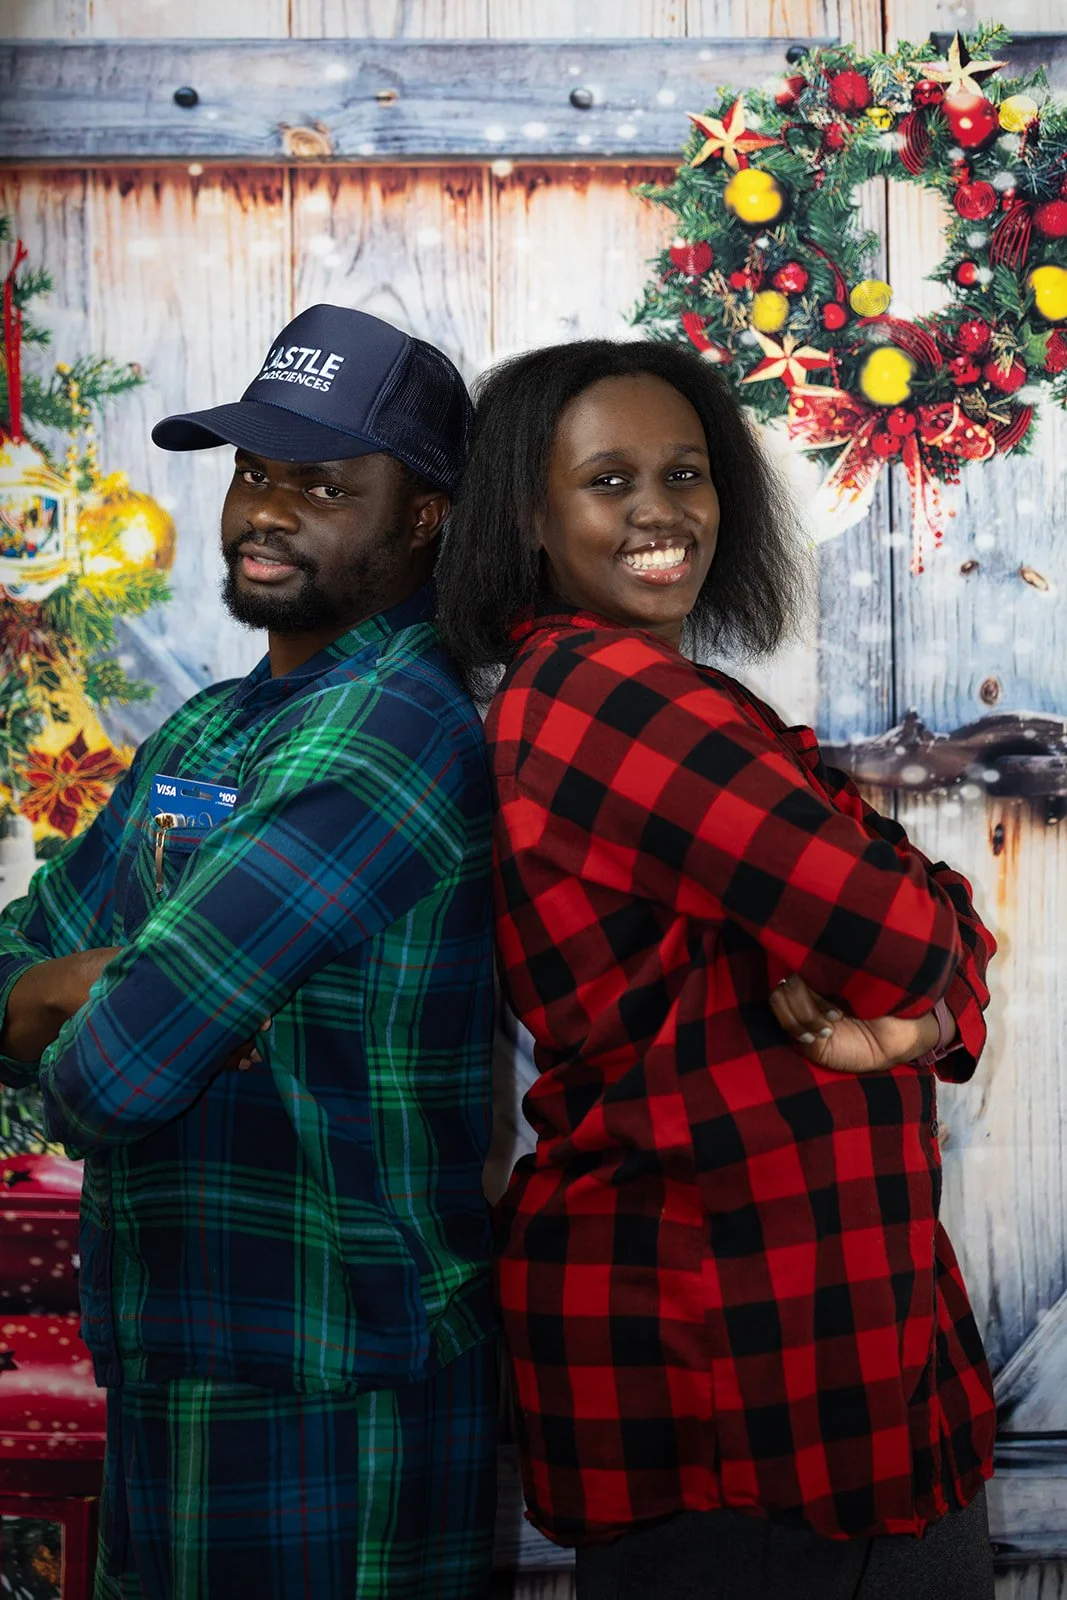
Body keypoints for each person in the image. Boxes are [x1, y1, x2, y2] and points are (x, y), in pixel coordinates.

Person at [435, 337, 998, 1600]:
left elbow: (924, 940)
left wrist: (913, 1028)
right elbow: (908, 933)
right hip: (729, 1362)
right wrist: (922, 984)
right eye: (608, 480)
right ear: (527, 515)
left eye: (684, 473)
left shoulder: (673, 697)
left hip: (826, 1336)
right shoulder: (604, 697)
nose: (658, 512)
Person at [0, 304, 498, 1599]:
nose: (266, 511)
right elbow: (22, 973)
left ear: (422, 516)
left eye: (324, 484)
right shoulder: (211, 732)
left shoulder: (398, 728)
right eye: (253, 472)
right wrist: (95, 987)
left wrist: (107, 998)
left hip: (336, 1394)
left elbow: (113, 1076)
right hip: (172, 1362)